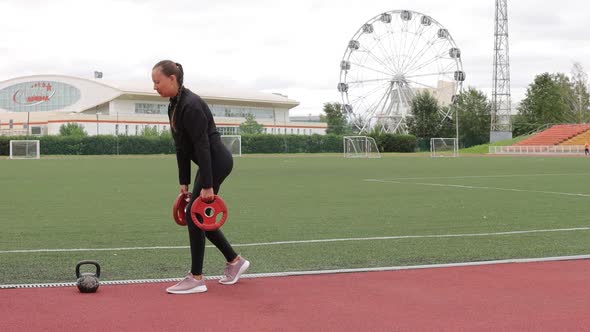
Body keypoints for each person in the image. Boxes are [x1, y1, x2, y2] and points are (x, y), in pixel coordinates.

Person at [152, 60, 250, 294]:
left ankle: (196, 278)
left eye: (157, 82)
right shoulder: (174, 105)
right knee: (198, 217)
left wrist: (207, 184)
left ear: (172, 79)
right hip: (207, 165)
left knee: (193, 215)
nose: (154, 87)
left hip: (216, 163)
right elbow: (180, 147)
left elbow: (202, 145)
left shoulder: (192, 105)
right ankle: (235, 261)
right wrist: (183, 181)